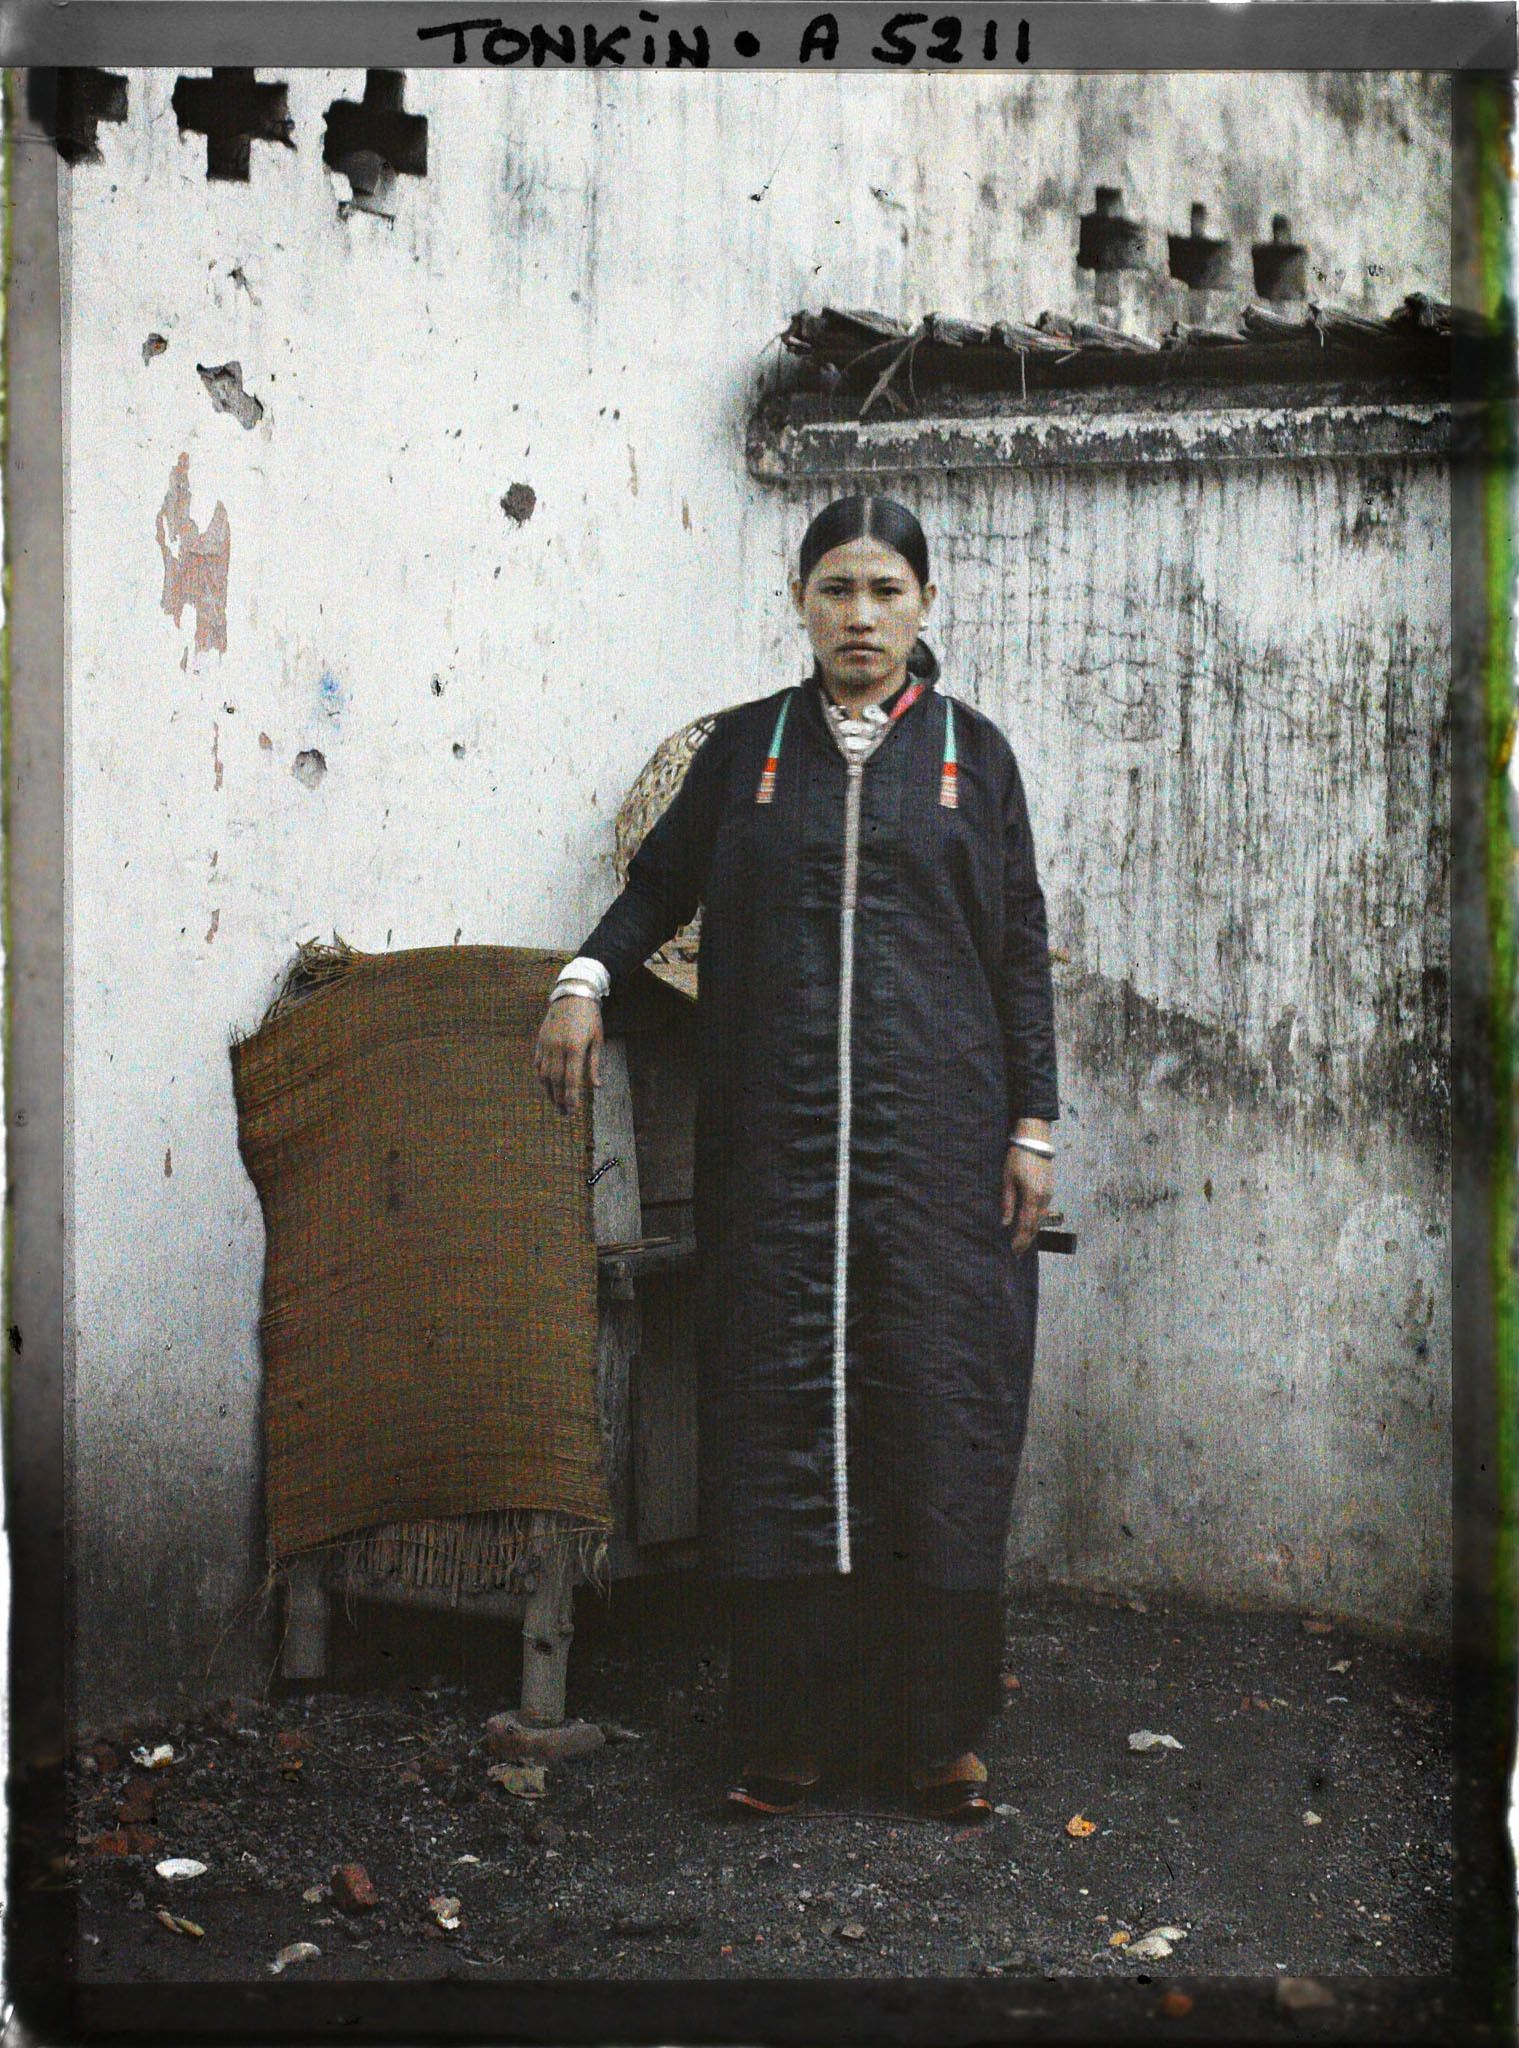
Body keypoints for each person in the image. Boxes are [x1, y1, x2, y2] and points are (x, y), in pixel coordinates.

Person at [533, 495, 1058, 1823]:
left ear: (925, 605)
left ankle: (935, 1738)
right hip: (774, 1157)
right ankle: (784, 1736)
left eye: (885, 589)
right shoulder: (746, 754)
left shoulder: (973, 761)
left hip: (934, 1161)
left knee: (929, 1415)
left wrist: (1033, 1126)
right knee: (777, 1421)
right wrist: (585, 978)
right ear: (801, 603)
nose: (861, 615)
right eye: (836, 589)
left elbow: (1018, 958)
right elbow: (658, 889)